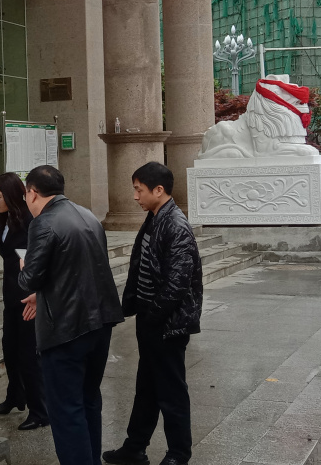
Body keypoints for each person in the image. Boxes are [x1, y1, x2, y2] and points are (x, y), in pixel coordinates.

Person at [19, 165, 123, 465]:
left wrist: (24, 268)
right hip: (100, 321)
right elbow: (79, 268)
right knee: (89, 399)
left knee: (66, 409)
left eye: (26, 194)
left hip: (67, 328)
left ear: (32, 193)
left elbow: (29, 279)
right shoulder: (88, 215)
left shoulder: (44, 222)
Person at [103, 162, 202, 465]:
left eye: (139, 190)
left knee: (171, 392)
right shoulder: (155, 218)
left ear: (159, 190)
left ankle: (178, 454)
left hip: (166, 323)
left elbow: (177, 284)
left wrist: (153, 318)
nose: (135, 196)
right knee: (146, 388)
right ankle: (134, 448)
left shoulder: (176, 225)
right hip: (151, 318)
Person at [0, 172, 49, 430]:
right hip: (11, 295)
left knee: (28, 354)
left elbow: (37, 261)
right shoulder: (5, 219)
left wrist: (35, 293)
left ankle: (40, 411)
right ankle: (16, 395)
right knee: (10, 349)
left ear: (12, 196)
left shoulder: (29, 221)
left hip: (27, 296)